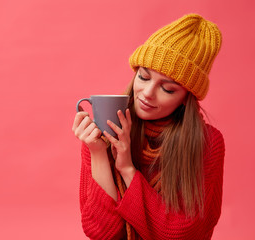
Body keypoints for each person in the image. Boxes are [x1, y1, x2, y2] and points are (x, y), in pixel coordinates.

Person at [72, 13, 225, 240]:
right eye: (143, 77)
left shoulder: (207, 143)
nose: (147, 93)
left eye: (168, 89)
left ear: (186, 97)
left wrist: (127, 170)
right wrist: (98, 153)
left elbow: (182, 234)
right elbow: (101, 232)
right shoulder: (105, 130)